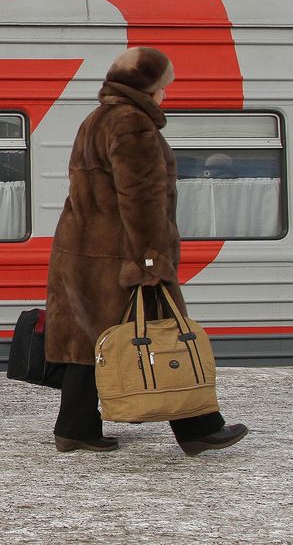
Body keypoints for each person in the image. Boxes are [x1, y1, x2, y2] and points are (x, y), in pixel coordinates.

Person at [44, 47, 248, 455]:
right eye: (162, 88)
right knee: (167, 334)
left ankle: (75, 428)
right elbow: (140, 198)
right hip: (127, 257)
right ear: (145, 88)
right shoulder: (132, 124)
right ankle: (198, 427)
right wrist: (150, 259)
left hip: (83, 250)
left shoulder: (96, 119)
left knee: (93, 340)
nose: (166, 96)